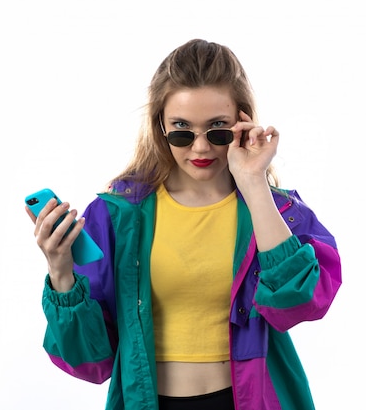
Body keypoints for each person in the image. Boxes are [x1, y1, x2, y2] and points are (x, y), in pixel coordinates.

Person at [25, 39, 342, 410]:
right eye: (182, 129)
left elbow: (300, 304)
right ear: (160, 124)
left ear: (242, 121)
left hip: (251, 400)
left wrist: (254, 182)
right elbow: (89, 363)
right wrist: (61, 273)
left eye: (218, 128)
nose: (201, 147)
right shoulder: (117, 216)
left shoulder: (279, 212)